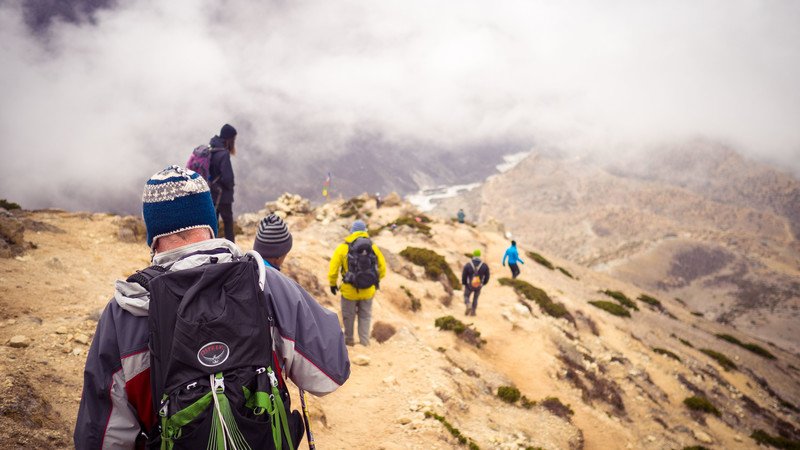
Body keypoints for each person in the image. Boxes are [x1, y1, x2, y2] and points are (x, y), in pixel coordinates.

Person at [75, 166, 350, 449]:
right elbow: (330, 374)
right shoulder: (265, 283)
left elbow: (101, 438)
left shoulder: (125, 312)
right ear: (210, 222)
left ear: (154, 237)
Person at [328, 220, 386, 346]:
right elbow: (383, 268)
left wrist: (333, 284)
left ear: (352, 232)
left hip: (349, 290)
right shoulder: (373, 247)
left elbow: (333, 269)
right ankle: (364, 343)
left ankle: (349, 342)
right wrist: (374, 280)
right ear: (365, 231)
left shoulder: (343, 248)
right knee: (365, 316)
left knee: (349, 316)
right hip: (368, 290)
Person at [209, 123, 237, 242]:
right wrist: (231, 186)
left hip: (212, 192)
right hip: (223, 195)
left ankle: (211, 248)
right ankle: (233, 250)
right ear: (230, 138)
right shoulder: (224, 154)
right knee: (228, 223)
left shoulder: (211, 149)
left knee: (213, 224)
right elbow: (227, 177)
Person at [461, 249, 490, 316]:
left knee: (466, 295)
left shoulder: (468, 264)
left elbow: (464, 275)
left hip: (469, 285)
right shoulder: (484, 265)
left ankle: (468, 304)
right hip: (479, 285)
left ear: (473, 255)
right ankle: (473, 312)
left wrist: (464, 283)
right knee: (475, 298)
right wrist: (484, 283)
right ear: (479, 256)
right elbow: (487, 276)